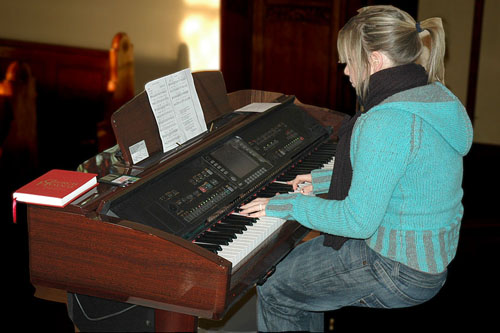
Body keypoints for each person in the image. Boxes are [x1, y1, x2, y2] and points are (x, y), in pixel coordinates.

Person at [239, 5, 473, 332]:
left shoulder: (386, 120)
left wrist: (284, 205)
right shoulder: (432, 96)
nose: (346, 71)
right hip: (427, 258)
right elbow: (393, 172)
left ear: (374, 60)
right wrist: (323, 180)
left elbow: (358, 221)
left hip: (397, 267)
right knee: (292, 277)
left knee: (275, 285)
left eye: (348, 61)